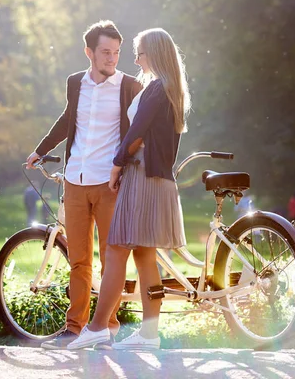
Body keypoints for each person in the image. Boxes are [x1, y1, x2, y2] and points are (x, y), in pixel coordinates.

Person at [66, 27, 191, 351]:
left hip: (143, 176)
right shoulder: (168, 88)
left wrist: (117, 164)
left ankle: (96, 327)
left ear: (154, 54)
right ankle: (149, 335)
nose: (135, 59)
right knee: (144, 255)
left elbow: (137, 132)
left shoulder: (157, 89)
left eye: (139, 53)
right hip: (157, 178)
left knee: (116, 248)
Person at [26, 20, 142, 349]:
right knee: (79, 259)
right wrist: (41, 150)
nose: (112, 58)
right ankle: (74, 328)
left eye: (116, 52)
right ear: (88, 52)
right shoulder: (75, 82)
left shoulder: (129, 86)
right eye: (105, 52)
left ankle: (107, 328)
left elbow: (139, 131)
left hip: (110, 184)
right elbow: (68, 119)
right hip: (75, 180)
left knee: (111, 259)